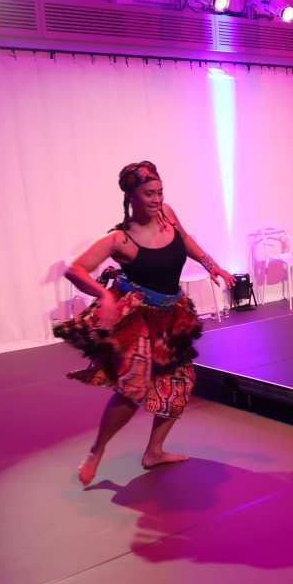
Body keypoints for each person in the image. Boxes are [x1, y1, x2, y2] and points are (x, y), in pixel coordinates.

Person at [54, 161, 235, 486]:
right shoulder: (120, 239)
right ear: (131, 197)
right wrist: (104, 296)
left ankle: (154, 451)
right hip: (139, 320)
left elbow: (185, 239)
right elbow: (75, 269)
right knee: (131, 391)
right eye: (148, 193)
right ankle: (97, 451)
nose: (156, 199)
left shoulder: (166, 213)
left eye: (160, 192)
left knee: (181, 384)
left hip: (171, 316)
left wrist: (212, 265)